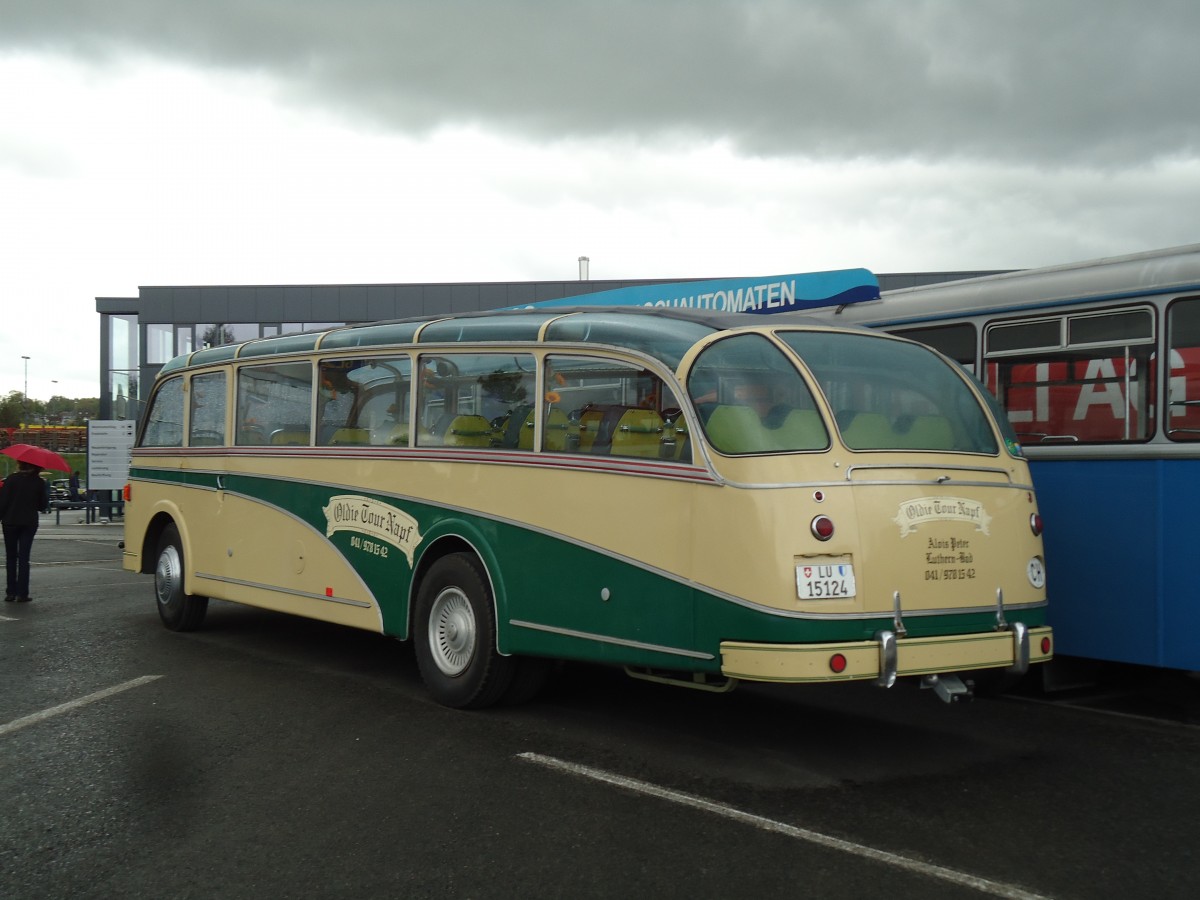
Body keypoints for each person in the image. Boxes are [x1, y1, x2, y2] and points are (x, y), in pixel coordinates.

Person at [0, 462, 50, 603]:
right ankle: (23, 594)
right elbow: (42, 506)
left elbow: (2, 502)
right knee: (24, 558)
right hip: (28, 523)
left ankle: (10, 593)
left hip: (10, 522)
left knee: (10, 558)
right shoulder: (39, 482)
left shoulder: (10, 479)